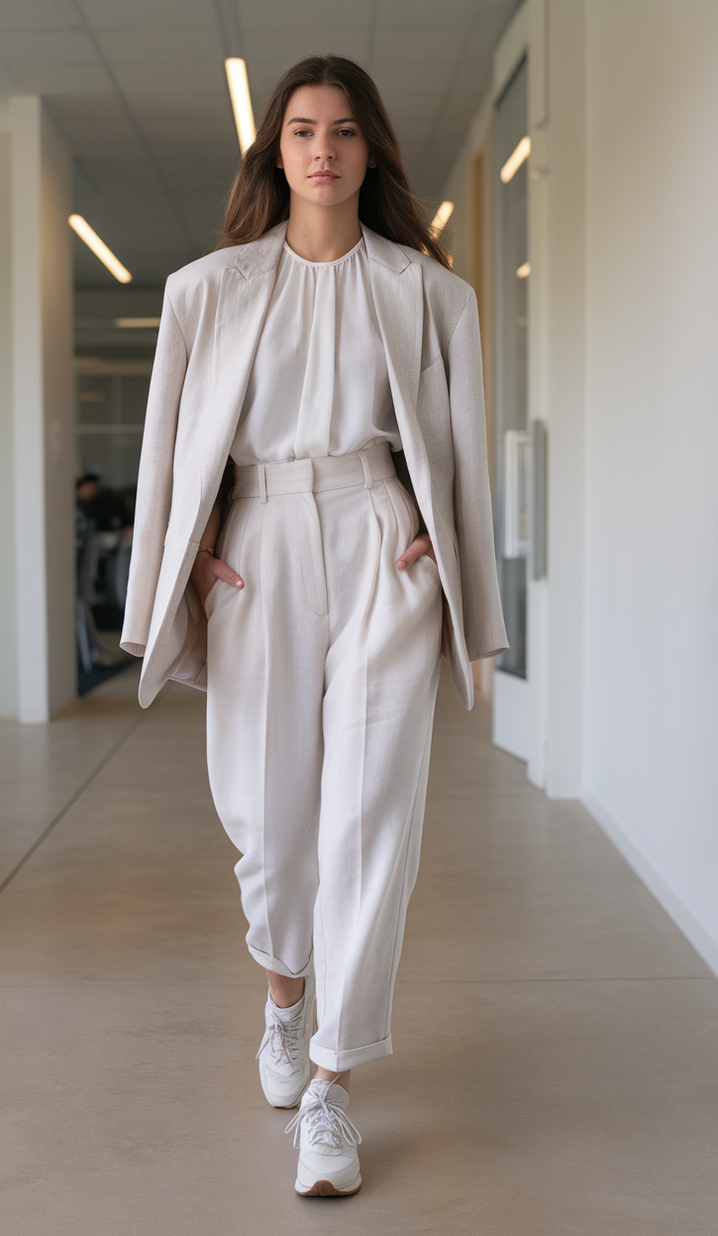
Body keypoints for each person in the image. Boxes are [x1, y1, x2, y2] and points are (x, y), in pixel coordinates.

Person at [121, 55, 507, 1198]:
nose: (323, 149)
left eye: (343, 130)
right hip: (259, 548)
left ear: (370, 148)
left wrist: (445, 548)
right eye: (300, 130)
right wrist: (180, 558)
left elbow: (461, 452)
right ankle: (285, 997)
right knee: (269, 821)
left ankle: (334, 1085)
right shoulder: (207, 289)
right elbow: (164, 449)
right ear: (275, 151)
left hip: (383, 540)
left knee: (368, 816)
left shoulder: (432, 294)